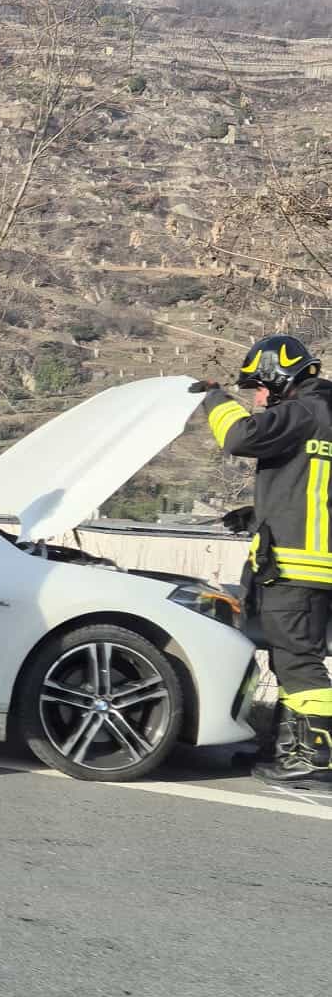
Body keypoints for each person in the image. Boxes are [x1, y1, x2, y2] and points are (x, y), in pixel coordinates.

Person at [194, 334, 332, 794]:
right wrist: (259, 515)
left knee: (299, 663)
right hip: (309, 565)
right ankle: (293, 748)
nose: (256, 398)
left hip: (297, 568)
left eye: (258, 387)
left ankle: (315, 756)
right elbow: (310, 491)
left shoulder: (302, 412)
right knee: (292, 659)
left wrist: (217, 397)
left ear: (278, 376)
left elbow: (240, 436)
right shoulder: (323, 417)